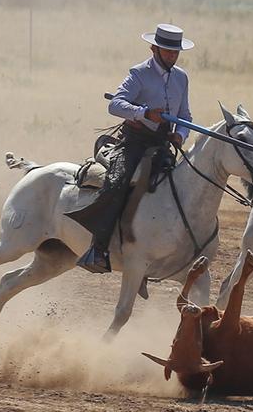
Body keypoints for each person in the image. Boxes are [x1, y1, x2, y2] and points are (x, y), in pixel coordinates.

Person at [75, 24, 194, 274]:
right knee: (117, 184)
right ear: (154, 48)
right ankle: (98, 249)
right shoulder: (139, 74)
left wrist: (180, 136)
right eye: (167, 51)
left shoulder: (182, 77)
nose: (172, 56)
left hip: (163, 145)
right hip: (134, 143)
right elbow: (116, 104)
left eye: (176, 52)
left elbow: (186, 115)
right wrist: (143, 113)